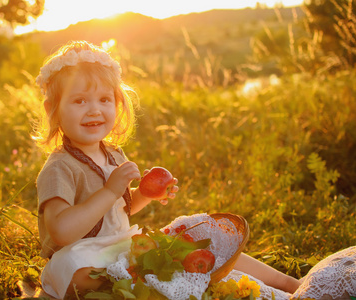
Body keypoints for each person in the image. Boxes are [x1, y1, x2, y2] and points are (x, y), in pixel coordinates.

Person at [33, 40, 300, 299]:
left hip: (121, 246)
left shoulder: (113, 154)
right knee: (87, 274)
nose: (94, 110)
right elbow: (61, 231)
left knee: (190, 241)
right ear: (53, 110)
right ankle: (165, 281)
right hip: (80, 256)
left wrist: (144, 195)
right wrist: (110, 190)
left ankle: (291, 284)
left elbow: (120, 210)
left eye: (104, 99)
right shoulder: (60, 167)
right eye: (79, 101)